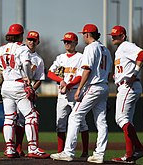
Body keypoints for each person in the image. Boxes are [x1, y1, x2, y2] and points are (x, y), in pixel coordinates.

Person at [50, 24, 112, 164]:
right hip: (104, 86)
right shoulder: (106, 50)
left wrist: (79, 89)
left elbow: (87, 70)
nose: (84, 36)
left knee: (75, 116)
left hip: (93, 86)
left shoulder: (91, 48)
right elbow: (109, 72)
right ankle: (99, 154)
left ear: (87, 34)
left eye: (84, 34)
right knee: (101, 121)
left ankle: (68, 152)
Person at [0, 24, 49, 159]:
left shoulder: (2, 49)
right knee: (31, 116)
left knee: (9, 118)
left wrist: (1, 70)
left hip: (6, 86)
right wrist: (27, 79)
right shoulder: (22, 48)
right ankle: (33, 148)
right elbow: (26, 63)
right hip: (19, 85)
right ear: (21, 35)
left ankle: (9, 149)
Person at [108, 25, 143, 164]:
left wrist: (134, 73)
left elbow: (142, 54)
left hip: (128, 86)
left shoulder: (126, 46)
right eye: (112, 36)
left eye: (116, 35)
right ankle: (130, 155)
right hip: (126, 85)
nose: (113, 37)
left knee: (120, 119)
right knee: (126, 121)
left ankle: (139, 148)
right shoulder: (120, 49)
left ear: (123, 36)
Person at [47, 32, 89, 158]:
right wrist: (61, 81)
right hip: (62, 94)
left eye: (69, 41)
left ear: (76, 43)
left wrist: (68, 85)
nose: (66, 43)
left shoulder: (81, 57)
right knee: (60, 123)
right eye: (65, 41)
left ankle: (85, 152)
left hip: (75, 92)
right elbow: (50, 73)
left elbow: (81, 75)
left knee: (81, 122)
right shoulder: (60, 58)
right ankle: (61, 151)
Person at [15, 30, 45, 156]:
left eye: (34, 40)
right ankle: (17, 147)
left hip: (28, 90)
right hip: (16, 87)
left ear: (38, 42)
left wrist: (32, 89)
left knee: (26, 118)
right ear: (26, 40)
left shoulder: (38, 60)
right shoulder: (18, 51)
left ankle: (29, 147)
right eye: (29, 39)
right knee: (17, 119)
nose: (31, 42)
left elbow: (39, 79)